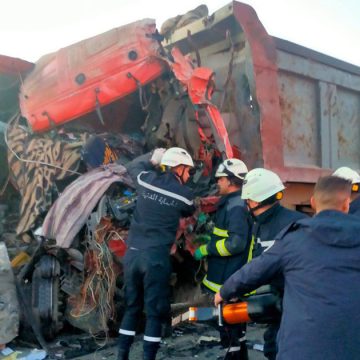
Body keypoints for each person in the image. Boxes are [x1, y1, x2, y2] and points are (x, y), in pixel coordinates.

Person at [215, 175, 360, 360]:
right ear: (347, 204)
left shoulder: (295, 238)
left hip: (301, 350)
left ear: (313, 202)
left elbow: (255, 271)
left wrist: (224, 291)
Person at [117, 147, 195, 360]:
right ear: (178, 168)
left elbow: (132, 167)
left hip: (132, 256)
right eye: (187, 171)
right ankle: (148, 357)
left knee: (131, 308)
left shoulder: (146, 180)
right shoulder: (185, 195)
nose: (188, 176)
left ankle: (121, 355)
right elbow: (189, 209)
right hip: (156, 259)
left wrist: (153, 158)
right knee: (154, 311)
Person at [240, 168, 307, 360]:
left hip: (295, 300)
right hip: (281, 297)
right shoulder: (261, 222)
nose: (246, 204)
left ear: (257, 200)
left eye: (248, 200)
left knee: (281, 347)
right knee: (273, 344)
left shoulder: (294, 223)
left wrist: (233, 289)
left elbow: (264, 265)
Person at [193, 158, 252, 360]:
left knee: (229, 324)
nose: (217, 183)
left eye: (220, 179)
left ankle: (233, 356)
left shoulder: (235, 206)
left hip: (229, 275)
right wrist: (212, 237)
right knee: (234, 325)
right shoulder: (235, 202)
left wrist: (207, 248)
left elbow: (236, 244)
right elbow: (227, 235)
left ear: (230, 180)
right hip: (228, 273)